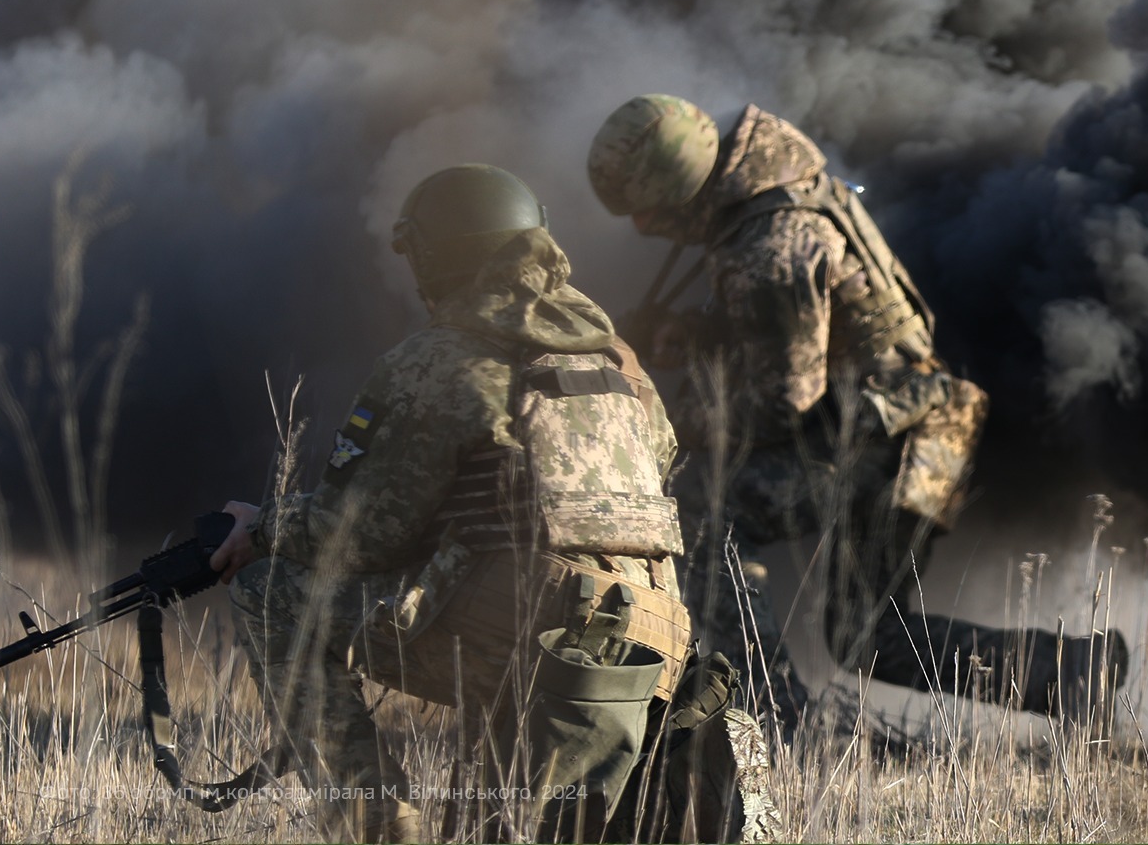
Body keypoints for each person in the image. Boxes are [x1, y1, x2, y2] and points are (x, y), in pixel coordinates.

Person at [210, 164, 764, 843]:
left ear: (436, 257)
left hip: (529, 633)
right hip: (656, 643)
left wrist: (263, 527)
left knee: (271, 593)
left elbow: (360, 533)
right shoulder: (619, 361)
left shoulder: (439, 358)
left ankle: (377, 823)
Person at [586, 96, 1129, 736]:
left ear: (676, 190)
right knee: (868, 636)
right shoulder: (779, 196)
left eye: (645, 211)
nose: (645, 228)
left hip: (888, 436)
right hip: (906, 421)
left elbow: (784, 398)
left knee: (697, 512)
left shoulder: (767, 245)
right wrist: (692, 337)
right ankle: (1066, 674)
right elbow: (806, 334)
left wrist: (672, 430)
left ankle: (775, 717)